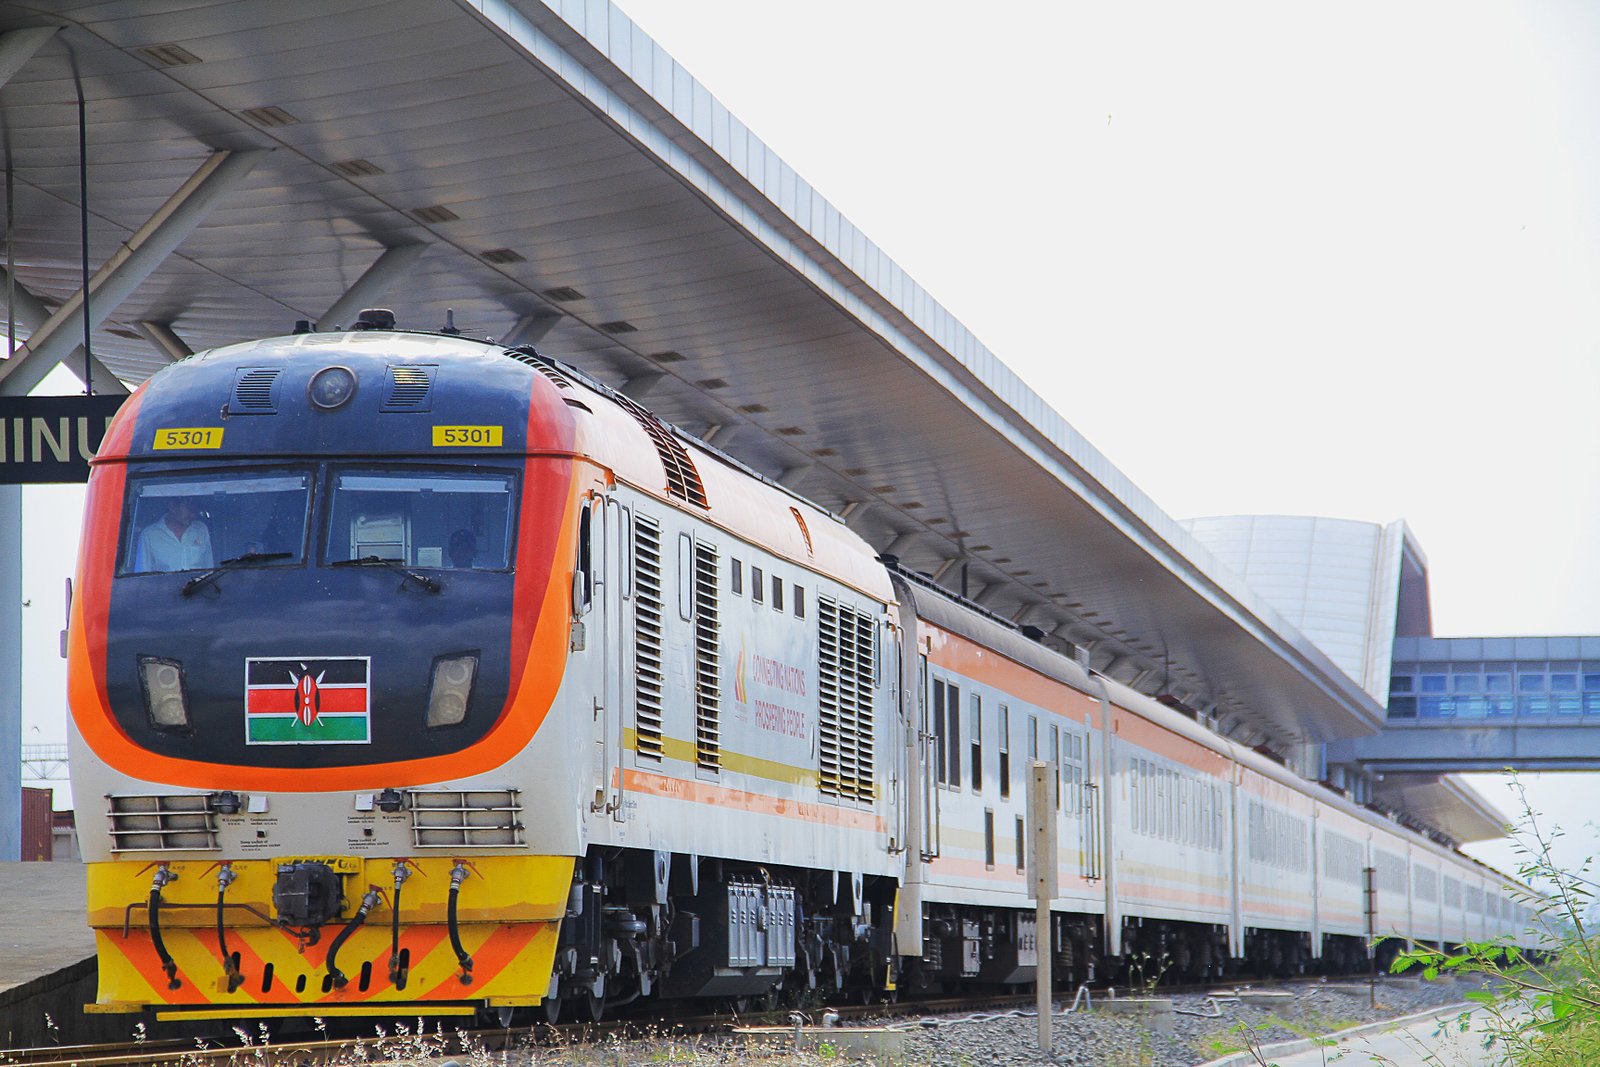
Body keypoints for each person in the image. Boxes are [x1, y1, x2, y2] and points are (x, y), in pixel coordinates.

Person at [135, 496, 214, 572]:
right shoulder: (149, 535)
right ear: (172, 506)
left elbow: (209, 570)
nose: (193, 515)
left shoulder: (201, 529)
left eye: (195, 511)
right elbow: (142, 576)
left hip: (201, 585)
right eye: (189, 509)